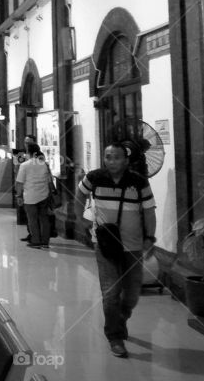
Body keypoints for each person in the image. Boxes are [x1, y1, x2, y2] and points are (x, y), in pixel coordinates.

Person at [75, 141, 156, 359]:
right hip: (105, 244)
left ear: (126, 159)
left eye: (116, 157)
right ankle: (114, 336)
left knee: (131, 294)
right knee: (111, 292)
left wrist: (150, 237)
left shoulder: (138, 182)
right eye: (108, 157)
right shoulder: (94, 177)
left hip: (133, 244)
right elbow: (80, 194)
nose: (111, 161)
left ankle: (120, 320)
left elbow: (149, 211)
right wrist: (80, 219)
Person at [15, 143, 53, 248]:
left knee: (32, 219)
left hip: (30, 196)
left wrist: (19, 196)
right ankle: (45, 242)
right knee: (44, 219)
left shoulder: (24, 165)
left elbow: (19, 182)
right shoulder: (44, 164)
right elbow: (49, 180)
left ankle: (36, 241)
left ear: (28, 152)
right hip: (44, 195)